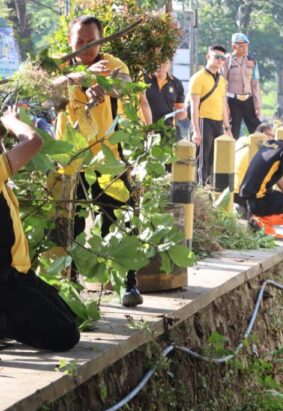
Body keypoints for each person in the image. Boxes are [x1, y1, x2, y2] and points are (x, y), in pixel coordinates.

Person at [53, 15, 143, 307]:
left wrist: (103, 83)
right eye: (79, 41)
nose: (85, 47)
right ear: (70, 41)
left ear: (101, 40)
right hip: (69, 159)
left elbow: (124, 86)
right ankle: (71, 281)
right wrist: (79, 77)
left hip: (108, 159)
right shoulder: (60, 64)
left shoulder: (114, 65)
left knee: (120, 220)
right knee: (70, 225)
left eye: (91, 42)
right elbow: (44, 91)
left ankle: (128, 283)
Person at [0, 107, 80, 351]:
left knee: (68, 316)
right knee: (66, 334)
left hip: (20, 274)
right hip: (6, 279)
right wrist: (11, 121)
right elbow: (34, 141)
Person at [190, 45, 230, 186]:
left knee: (215, 159)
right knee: (202, 160)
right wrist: (196, 130)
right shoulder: (198, 78)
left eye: (222, 58)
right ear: (208, 57)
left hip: (217, 122)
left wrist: (227, 127)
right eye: (217, 57)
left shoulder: (222, 81)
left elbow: (223, 105)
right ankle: (201, 190)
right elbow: (194, 107)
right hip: (203, 120)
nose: (220, 60)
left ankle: (212, 189)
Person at [223, 32, 262, 139]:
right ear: (233, 46)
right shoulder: (227, 60)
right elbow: (222, 84)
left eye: (246, 45)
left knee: (258, 132)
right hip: (233, 101)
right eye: (241, 46)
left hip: (248, 101)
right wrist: (225, 105)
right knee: (232, 134)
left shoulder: (252, 61)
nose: (244, 48)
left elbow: (255, 84)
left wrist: (257, 105)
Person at [144, 59, 186, 141]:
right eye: (157, 62)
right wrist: (148, 127)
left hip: (167, 130)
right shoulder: (143, 80)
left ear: (170, 62)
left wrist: (182, 113)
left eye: (164, 62)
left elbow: (180, 109)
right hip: (145, 129)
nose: (160, 66)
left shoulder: (176, 83)